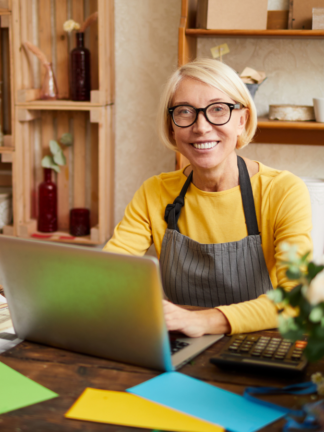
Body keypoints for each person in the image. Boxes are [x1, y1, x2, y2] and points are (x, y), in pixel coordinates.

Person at [103, 58, 312, 338]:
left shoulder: (283, 191)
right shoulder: (155, 192)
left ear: (242, 119)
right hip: (181, 346)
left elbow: (295, 299)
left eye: (217, 109)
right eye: (186, 112)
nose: (201, 127)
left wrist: (202, 322)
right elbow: (108, 273)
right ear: (171, 127)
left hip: (258, 347)